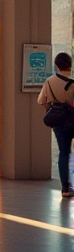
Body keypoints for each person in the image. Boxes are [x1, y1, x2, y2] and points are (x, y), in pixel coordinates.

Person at [38, 52, 74, 198]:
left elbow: (41, 100)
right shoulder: (72, 82)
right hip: (73, 121)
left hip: (59, 122)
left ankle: (65, 188)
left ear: (56, 65)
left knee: (63, 153)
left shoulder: (49, 81)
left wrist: (51, 108)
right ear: (69, 64)